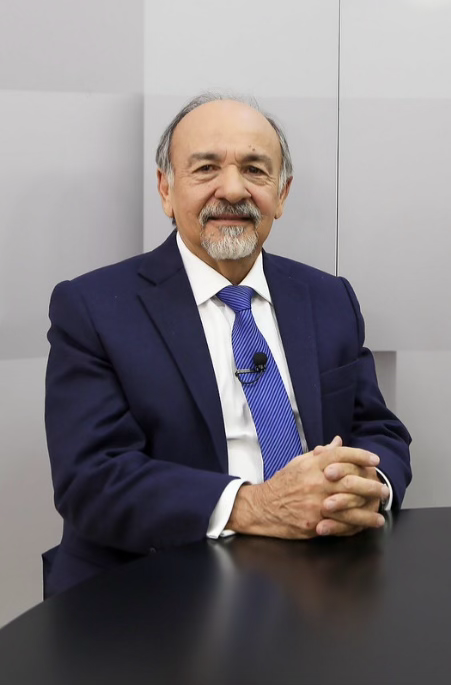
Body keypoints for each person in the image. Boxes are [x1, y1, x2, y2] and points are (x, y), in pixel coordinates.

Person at [43, 93, 411, 597]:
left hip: (323, 578)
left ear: (281, 194)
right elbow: (92, 478)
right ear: (166, 189)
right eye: (206, 168)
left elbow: (378, 429)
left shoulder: (329, 298)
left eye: (255, 170)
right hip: (156, 586)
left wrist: (365, 489)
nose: (233, 189)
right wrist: (256, 506)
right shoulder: (93, 307)